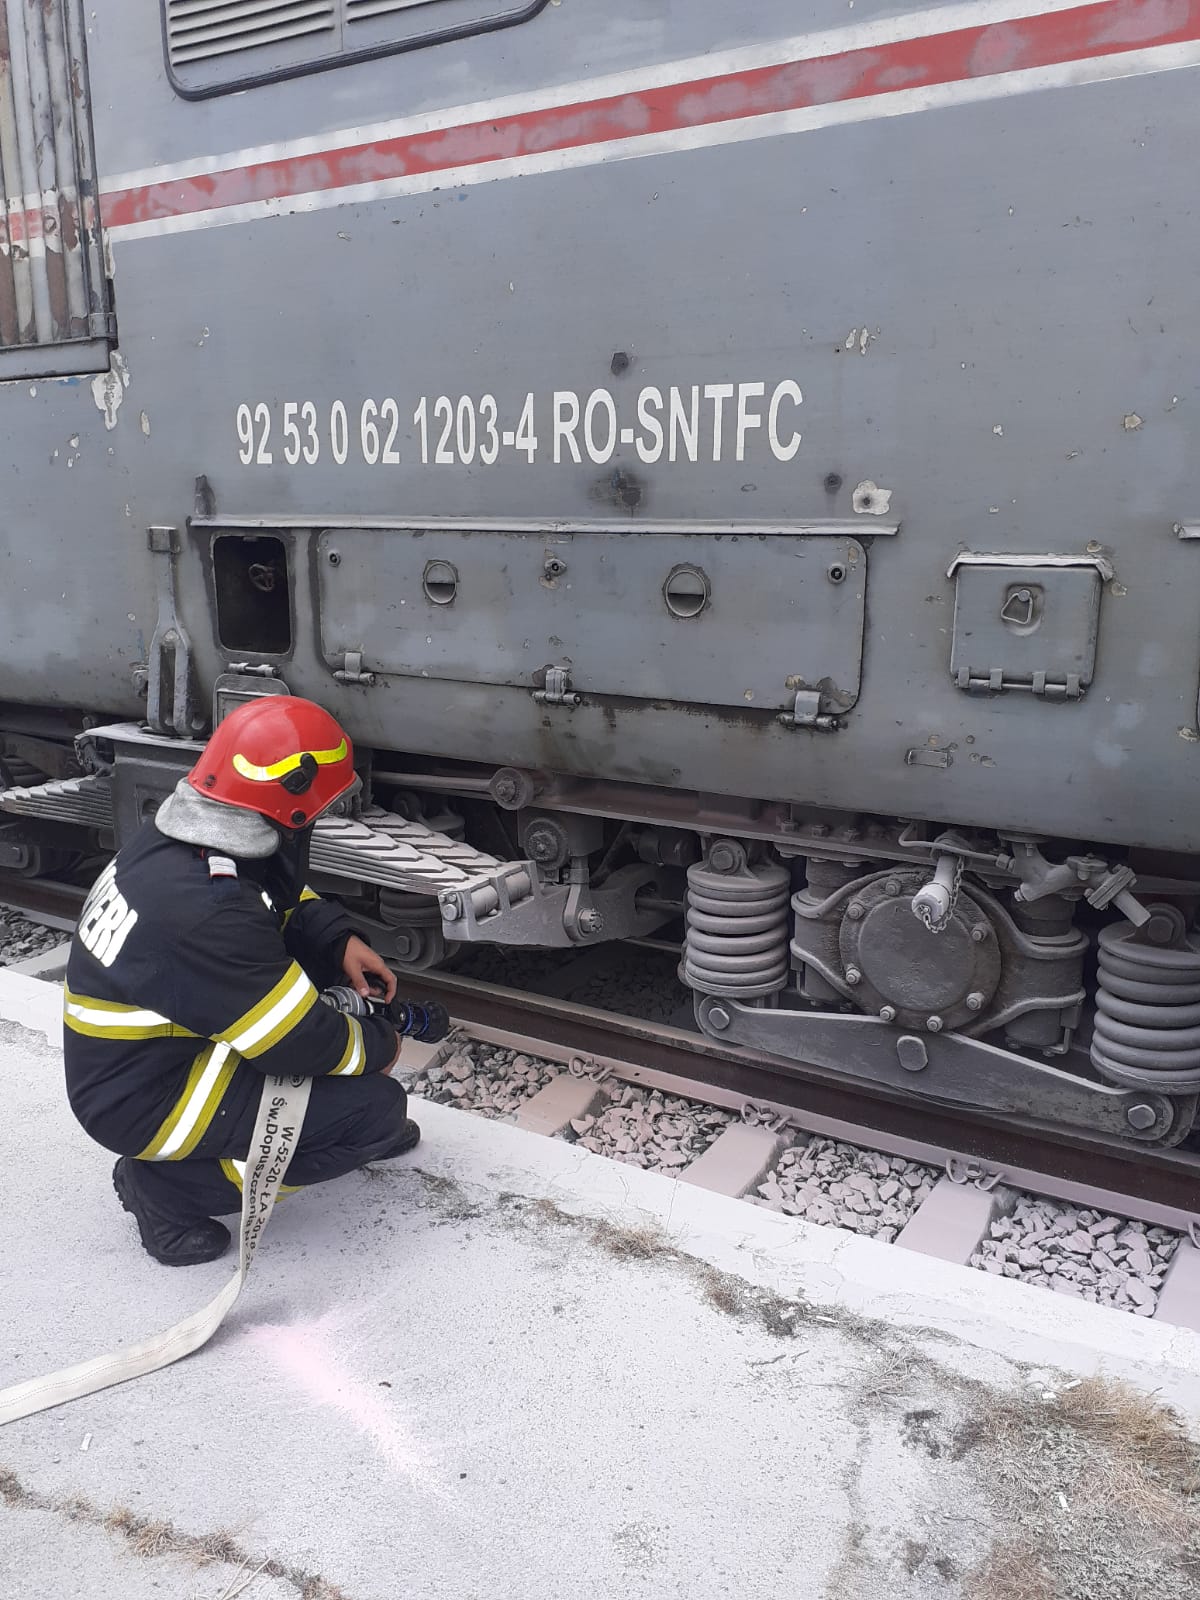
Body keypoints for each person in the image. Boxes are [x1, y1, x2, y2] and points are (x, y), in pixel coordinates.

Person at [62, 696, 449, 1266]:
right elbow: (299, 1042)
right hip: (146, 1101)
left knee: (334, 1042)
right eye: (320, 809)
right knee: (373, 1112)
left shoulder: (187, 840)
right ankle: (163, 1191)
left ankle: (316, 1117)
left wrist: (336, 940)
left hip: (149, 1058)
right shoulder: (208, 912)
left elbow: (268, 893)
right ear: (291, 801)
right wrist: (380, 1045)